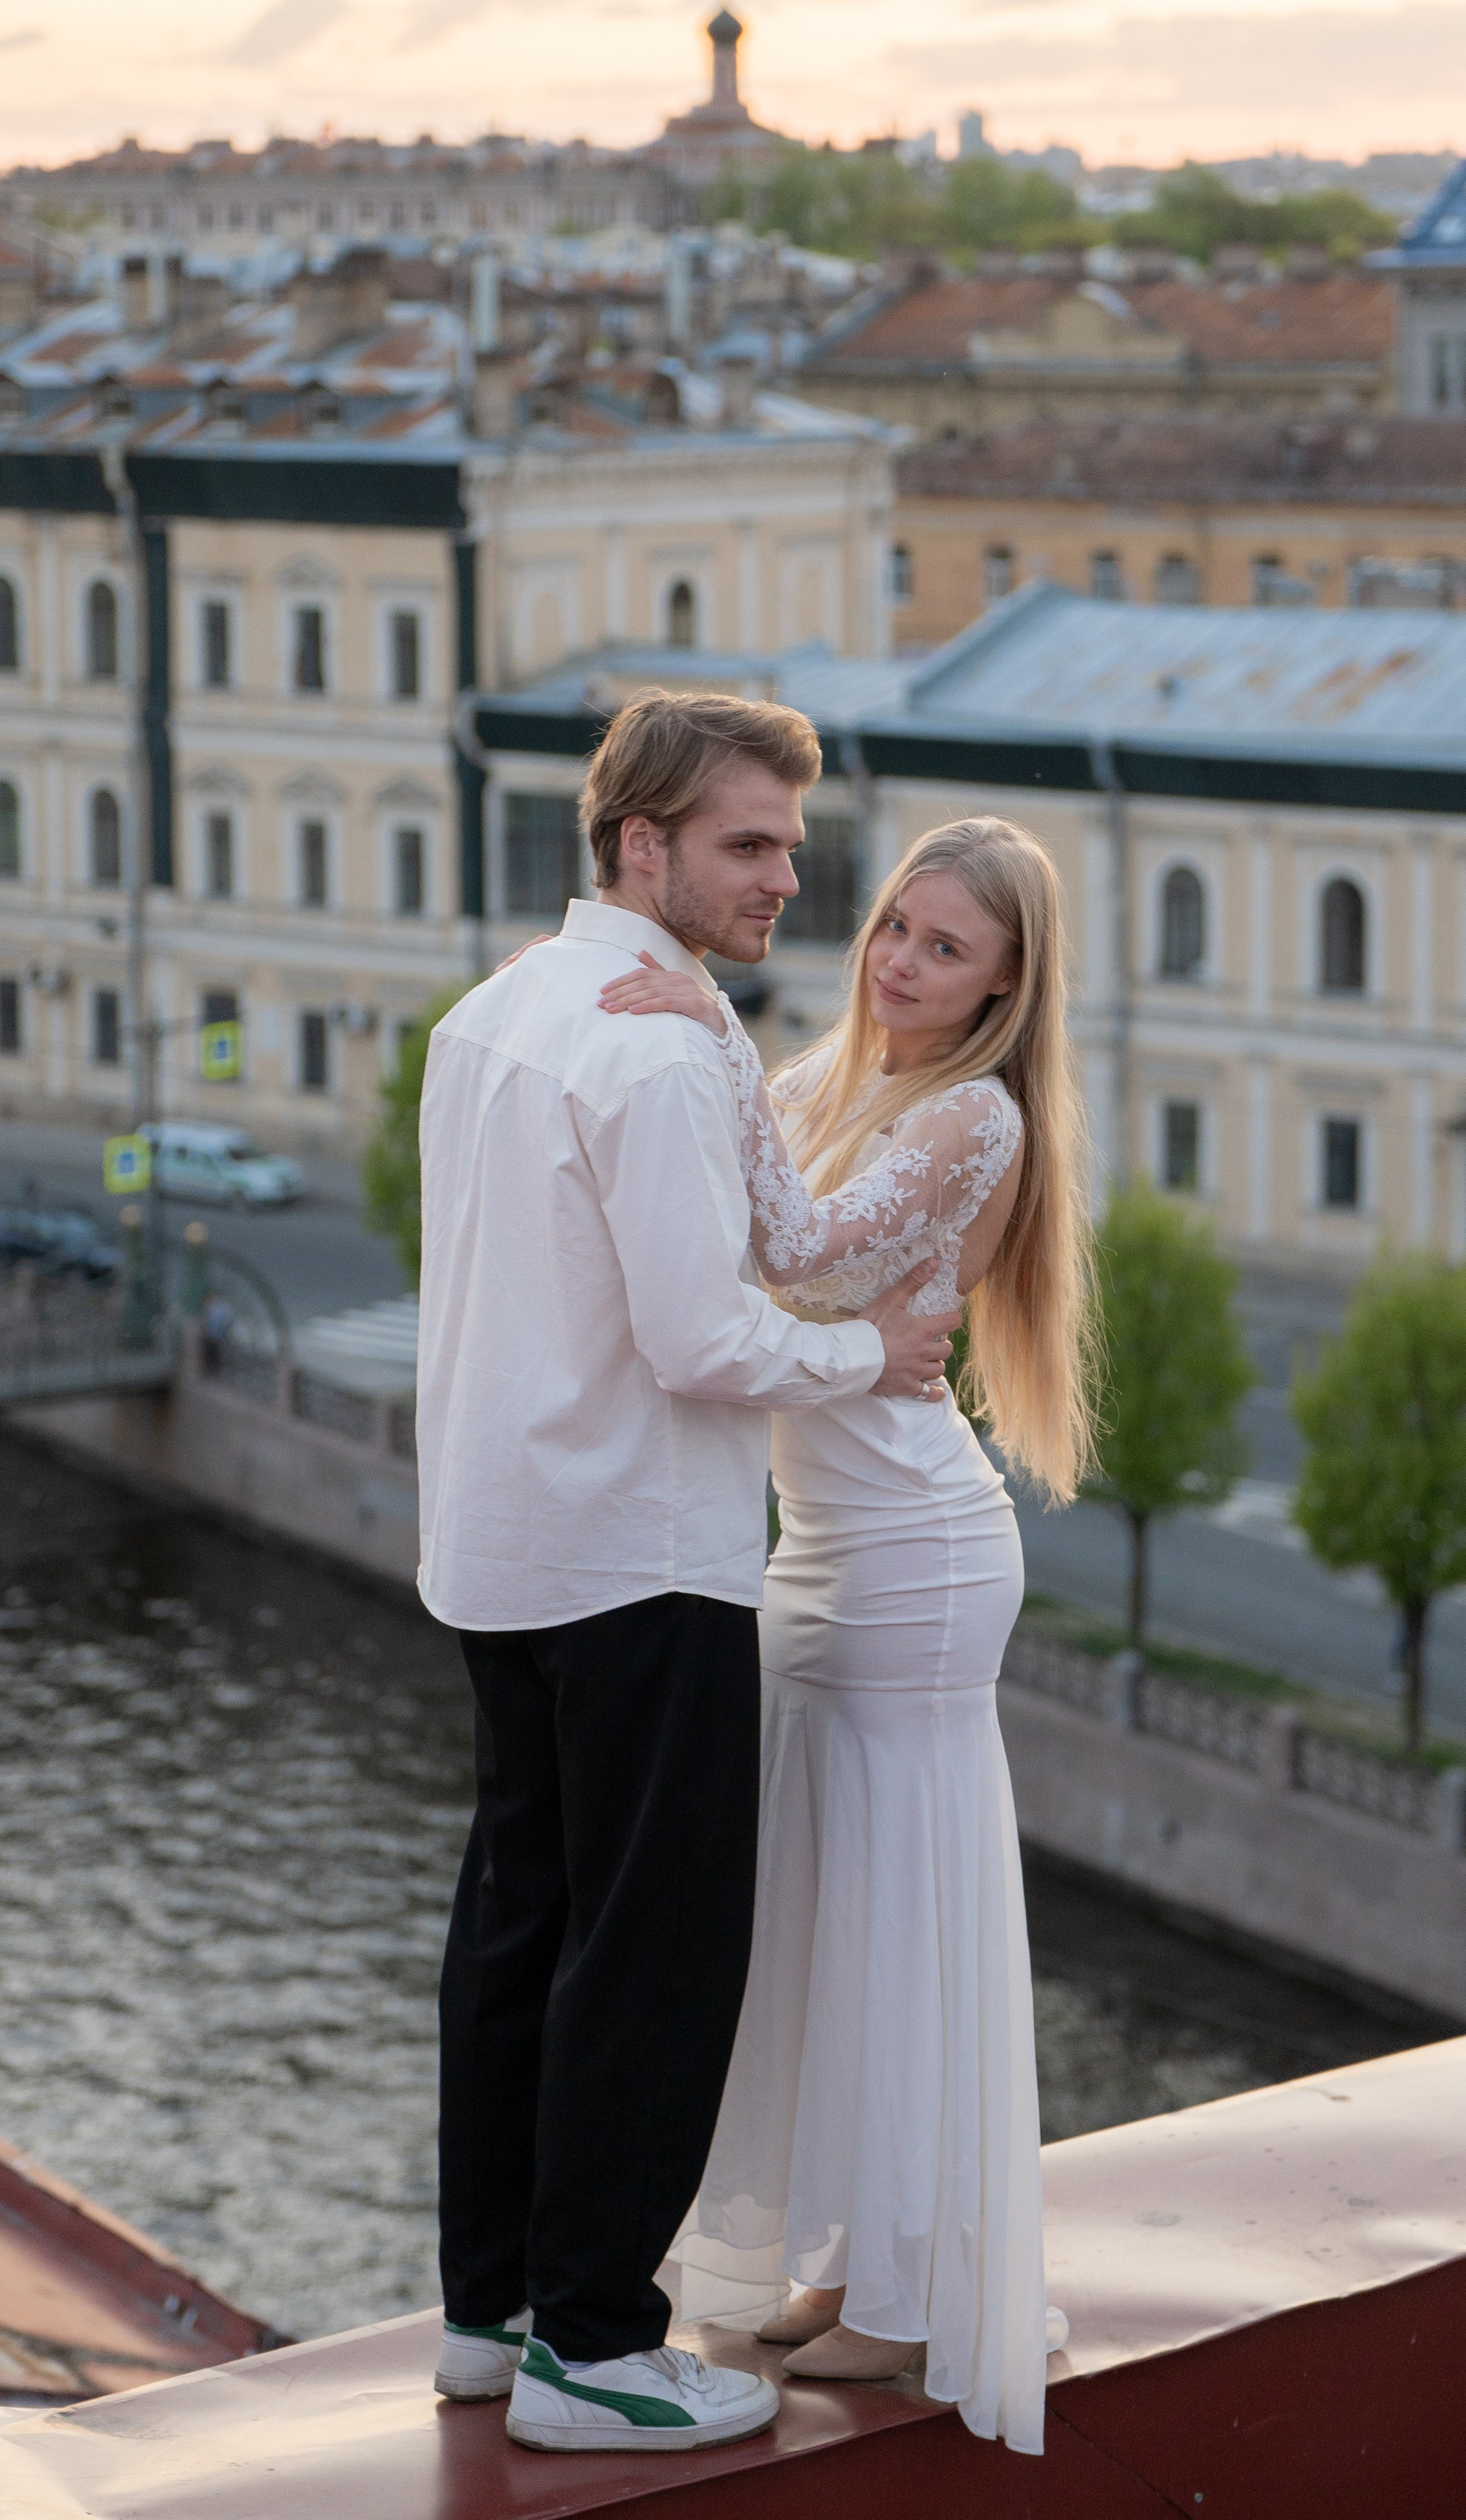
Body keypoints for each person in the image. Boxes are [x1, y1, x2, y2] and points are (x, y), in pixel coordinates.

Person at [415, 692, 955, 2457]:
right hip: (642, 1558)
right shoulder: (651, 1052)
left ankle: (491, 2319)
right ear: (639, 844)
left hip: (500, 1549)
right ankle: (593, 2351)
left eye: (792, 844)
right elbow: (704, 1338)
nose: (786, 877)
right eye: (747, 844)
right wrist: (869, 1356)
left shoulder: (494, 1012)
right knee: (648, 1958)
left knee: (519, 1932)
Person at [597, 812, 1095, 2456]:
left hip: (910, 1556)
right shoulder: (844, 1075)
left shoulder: (970, 1116)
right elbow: (748, 1211)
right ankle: (855, 2265)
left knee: (892, 1918)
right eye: (894, 927)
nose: (900, 963)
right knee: (829, 1916)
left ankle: (906, 2297)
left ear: (1006, 983)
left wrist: (711, 1034)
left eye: (946, 949)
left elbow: (796, 1254)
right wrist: (716, 1052)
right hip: (819, 1546)